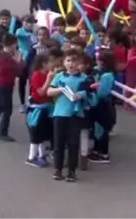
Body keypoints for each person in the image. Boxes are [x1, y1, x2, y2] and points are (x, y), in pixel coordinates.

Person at [46, 50, 88, 182]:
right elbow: (49, 92)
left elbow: (88, 92)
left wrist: (79, 95)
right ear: (64, 62)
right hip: (59, 113)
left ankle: (71, 171)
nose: (71, 64)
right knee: (58, 142)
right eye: (68, 61)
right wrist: (61, 89)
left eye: (74, 61)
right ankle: (58, 169)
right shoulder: (59, 77)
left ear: (79, 63)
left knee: (73, 143)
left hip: (75, 115)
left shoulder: (84, 78)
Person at [0, 34, 22, 141]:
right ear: (12, 45)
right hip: (5, 86)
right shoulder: (9, 60)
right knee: (7, 110)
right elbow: (18, 71)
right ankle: (3, 132)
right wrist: (19, 62)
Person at [25, 52, 55, 167]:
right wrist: (48, 79)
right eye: (50, 62)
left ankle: (41, 155)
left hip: (47, 107)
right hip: (37, 109)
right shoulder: (36, 75)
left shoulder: (48, 73)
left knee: (43, 134)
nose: (52, 64)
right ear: (43, 64)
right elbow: (41, 92)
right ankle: (31, 157)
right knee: (36, 135)